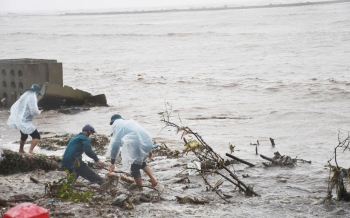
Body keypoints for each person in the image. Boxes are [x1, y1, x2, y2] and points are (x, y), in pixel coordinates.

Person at [108, 114, 164, 192]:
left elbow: (115, 146)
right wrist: (149, 149)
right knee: (141, 162)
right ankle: (153, 179)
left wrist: (112, 163)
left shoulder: (119, 127)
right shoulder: (130, 124)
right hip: (148, 141)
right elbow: (141, 135)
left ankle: (141, 190)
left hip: (139, 144)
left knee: (134, 168)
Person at [7, 84, 43, 154]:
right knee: (36, 136)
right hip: (25, 122)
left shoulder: (25, 97)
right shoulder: (32, 98)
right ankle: (31, 151)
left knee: (24, 136)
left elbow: (24, 109)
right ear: (36, 92)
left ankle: (21, 150)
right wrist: (39, 111)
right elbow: (34, 112)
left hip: (20, 120)